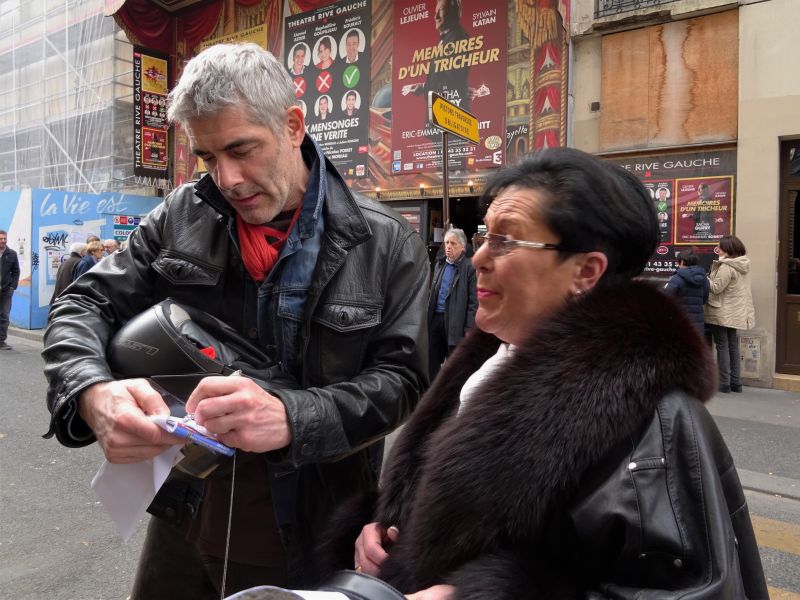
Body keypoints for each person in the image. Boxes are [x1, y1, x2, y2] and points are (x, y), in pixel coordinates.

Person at [42, 43, 429, 599]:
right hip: (185, 514)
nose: (226, 177)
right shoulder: (180, 214)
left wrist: (292, 417)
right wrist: (92, 394)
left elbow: (404, 382)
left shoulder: (387, 241)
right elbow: (83, 305)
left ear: (293, 125)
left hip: (313, 526)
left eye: (241, 149)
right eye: (206, 157)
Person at [323, 148, 767, 599]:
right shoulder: (483, 363)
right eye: (484, 236)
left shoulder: (655, 418)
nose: (478, 258)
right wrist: (378, 530)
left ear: (585, 271)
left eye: (507, 240)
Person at [705, 235, 755, 393]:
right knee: (733, 346)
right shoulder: (742, 264)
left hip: (722, 311)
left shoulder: (726, 266)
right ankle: (736, 383)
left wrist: (705, 279)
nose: (717, 249)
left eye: (720, 246)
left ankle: (724, 383)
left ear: (728, 249)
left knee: (722, 346)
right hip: (737, 311)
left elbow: (716, 288)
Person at [402, 0, 473, 111]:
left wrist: (424, 87)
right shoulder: (448, 38)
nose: (436, 17)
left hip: (449, 114)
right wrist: (423, 86)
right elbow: (442, 77)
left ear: (455, 12)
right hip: (441, 112)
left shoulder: (457, 37)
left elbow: (451, 81)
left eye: (442, 10)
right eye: (436, 11)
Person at [426, 228, 476, 379]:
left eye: (453, 243)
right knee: (431, 360)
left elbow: (474, 301)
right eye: (446, 242)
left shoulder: (469, 267)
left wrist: (469, 328)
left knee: (454, 366)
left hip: (456, 322)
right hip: (436, 319)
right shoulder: (440, 264)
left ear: (462, 246)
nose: (448, 246)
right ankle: (432, 393)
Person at [664, 249, 709, 334]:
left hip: (681, 320)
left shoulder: (677, 278)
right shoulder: (704, 279)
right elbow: (704, 299)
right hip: (698, 322)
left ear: (681, 262)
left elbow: (667, 298)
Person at [0, 229, 20, 351]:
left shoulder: (12, 254)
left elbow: (16, 271)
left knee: (4, 316)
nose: (3, 241)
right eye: (1, 239)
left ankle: (1, 341)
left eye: (4, 239)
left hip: (6, 291)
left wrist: (13, 286)